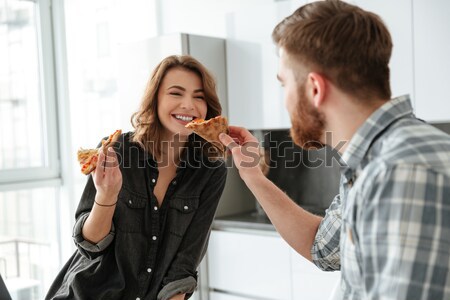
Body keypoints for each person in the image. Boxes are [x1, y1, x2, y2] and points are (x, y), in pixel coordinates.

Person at [219, 1, 450, 299]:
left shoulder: (402, 173)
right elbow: (323, 247)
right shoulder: (369, 162)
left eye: (284, 85)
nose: (285, 101)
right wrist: (253, 176)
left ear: (315, 89)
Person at [46, 55, 227, 300]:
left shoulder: (211, 171)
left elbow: (185, 264)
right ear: (155, 99)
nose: (188, 105)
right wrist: (106, 195)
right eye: (176, 93)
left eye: (199, 96)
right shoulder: (117, 151)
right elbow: (89, 245)